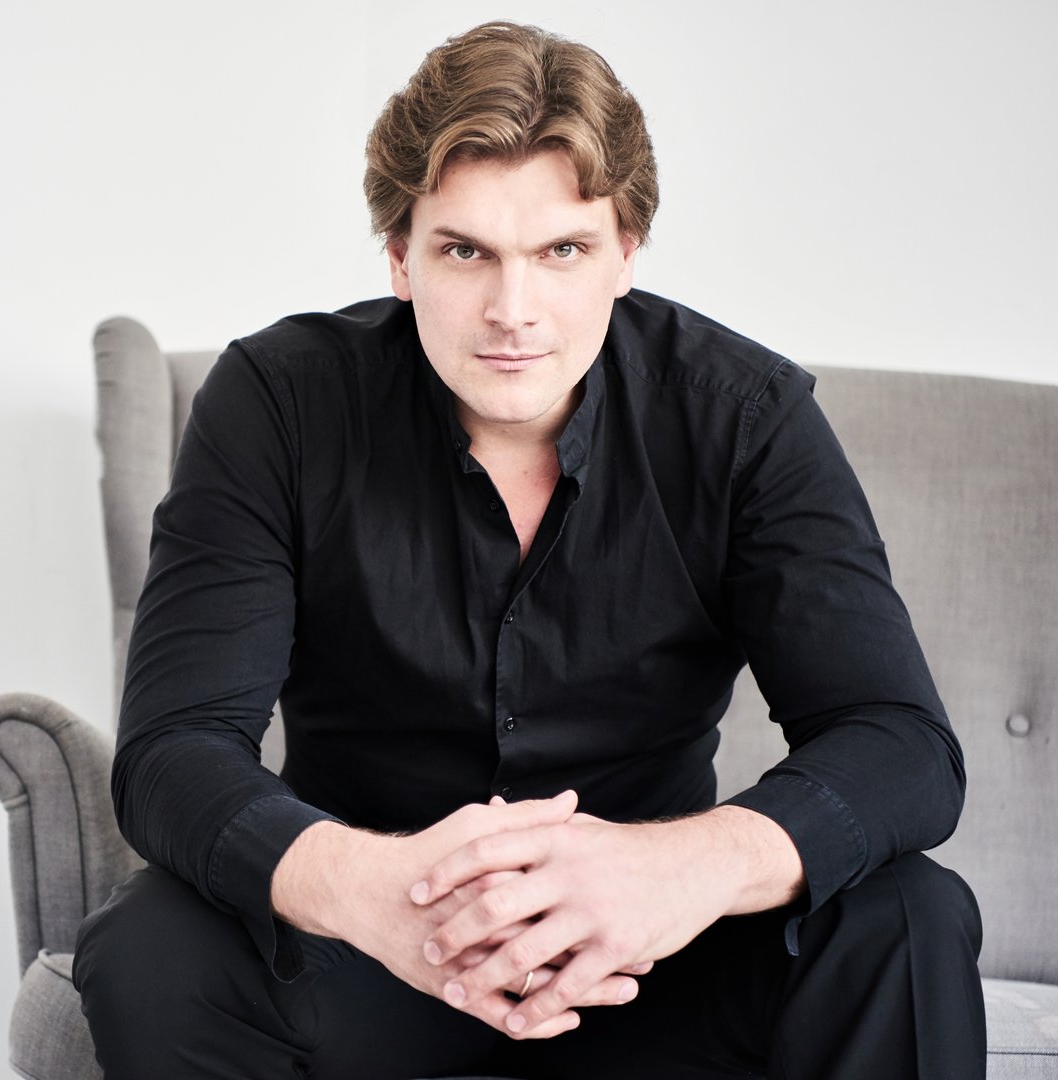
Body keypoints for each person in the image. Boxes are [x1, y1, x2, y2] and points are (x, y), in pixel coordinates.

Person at [73, 20, 985, 1079]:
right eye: (466, 251)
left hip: (657, 959)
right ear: (400, 257)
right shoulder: (278, 404)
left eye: (563, 252)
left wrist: (672, 872)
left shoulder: (744, 417)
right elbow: (175, 749)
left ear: (626, 254)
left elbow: (899, 742)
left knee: (907, 914)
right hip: (373, 942)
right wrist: (367, 889)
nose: (514, 312)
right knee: (149, 950)